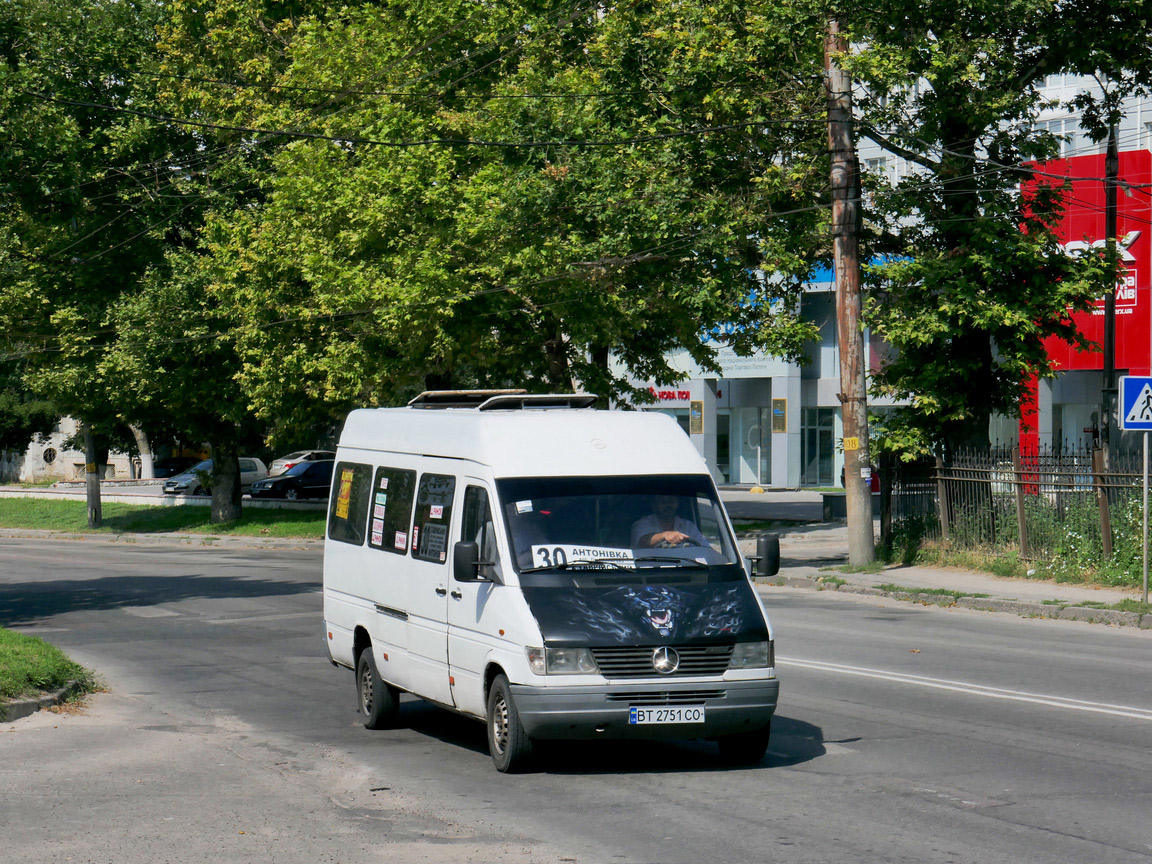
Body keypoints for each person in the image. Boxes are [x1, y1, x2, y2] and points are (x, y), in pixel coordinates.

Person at [630, 495, 707, 548]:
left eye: (672, 501)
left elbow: (704, 548)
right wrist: (664, 535)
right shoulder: (642, 524)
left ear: (677, 504)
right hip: (649, 570)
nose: (668, 505)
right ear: (654, 505)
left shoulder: (688, 526)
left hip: (687, 569)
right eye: (663, 501)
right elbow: (642, 541)